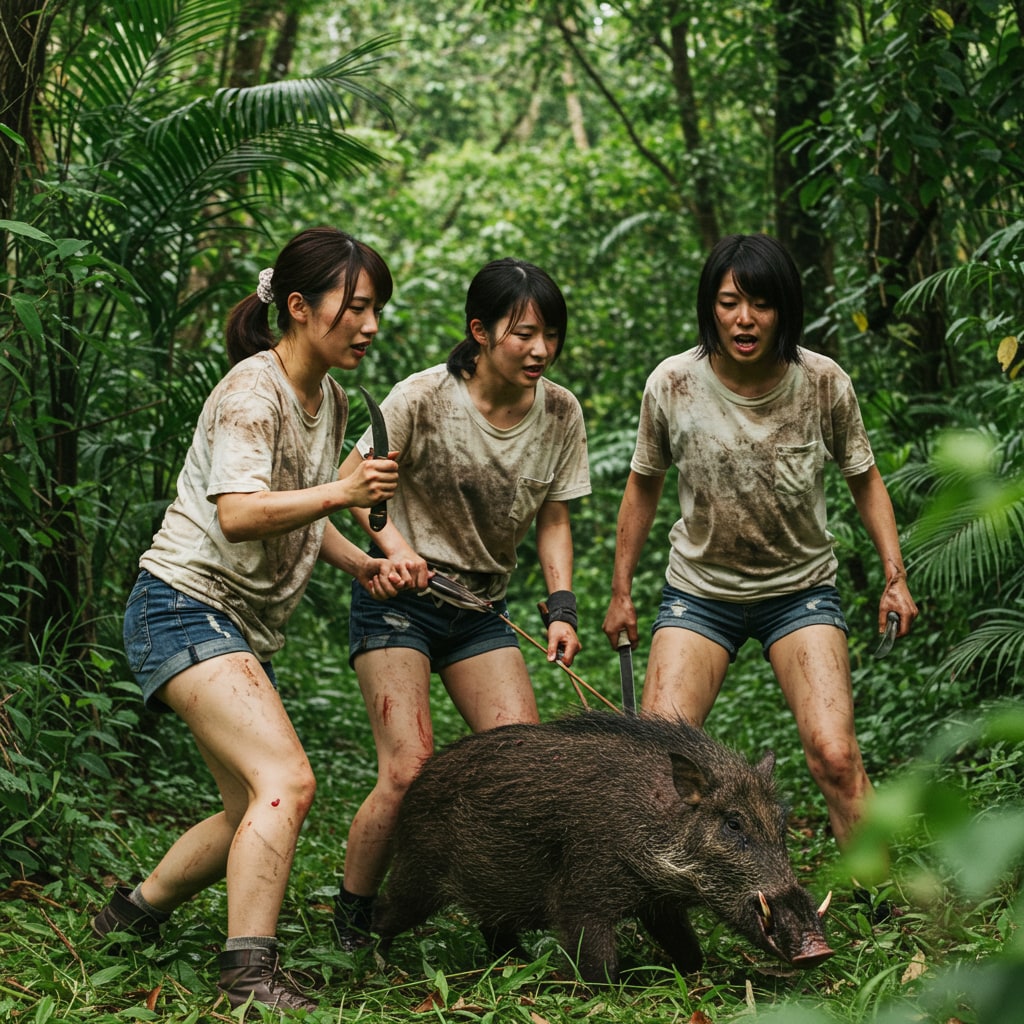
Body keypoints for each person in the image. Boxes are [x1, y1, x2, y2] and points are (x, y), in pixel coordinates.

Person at [90, 227, 406, 1013]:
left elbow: (295, 511)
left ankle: (128, 914)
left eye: (377, 311)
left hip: (225, 624)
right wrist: (343, 492)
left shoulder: (327, 397)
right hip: (181, 605)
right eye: (355, 308)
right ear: (298, 308)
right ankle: (248, 974)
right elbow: (238, 514)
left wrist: (362, 561)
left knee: (246, 810)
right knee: (287, 781)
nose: (370, 327)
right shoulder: (250, 392)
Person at [602, 233, 918, 854]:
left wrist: (894, 576)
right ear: (709, 308)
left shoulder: (823, 382)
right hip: (700, 593)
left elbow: (865, 478)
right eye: (728, 303)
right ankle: (663, 911)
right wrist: (621, 594)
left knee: (833, 753)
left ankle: (881, 894)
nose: (744, 319)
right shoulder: (673, 383)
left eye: (761, 304)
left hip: (800, 592)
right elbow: (643, 486)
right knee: (658, 770)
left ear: (784, 311)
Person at [332, 257, 591, 949]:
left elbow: (555, 518)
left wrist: (561, 606)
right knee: (409, 768)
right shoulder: (421, 397)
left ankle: (499, 918)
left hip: (482, 610)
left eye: (551, 335)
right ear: (480, 332)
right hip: (400, 602)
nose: (540, 350)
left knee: (525, 773)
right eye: (523, 334)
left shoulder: (561, 411)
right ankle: (355, 914)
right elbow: (356, 492)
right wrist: (398, 552)